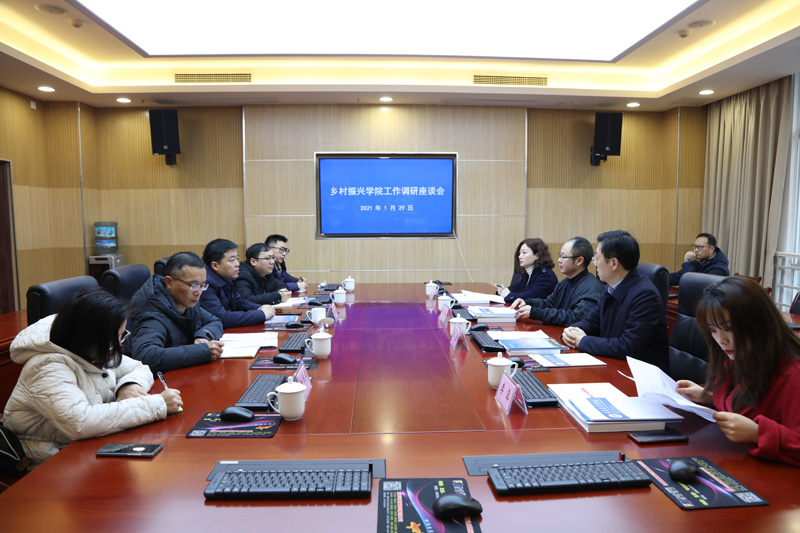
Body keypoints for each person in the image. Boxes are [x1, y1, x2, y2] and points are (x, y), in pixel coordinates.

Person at [3, 290, 182, 467]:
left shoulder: (94, 349)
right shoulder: (46, 366)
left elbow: (139, 368)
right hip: (48, 461)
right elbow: (81, 422)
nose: (120, 344)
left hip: (87, 447)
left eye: (121, 335)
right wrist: (157, 405)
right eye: (117, 337)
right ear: (89, 336)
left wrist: (128, 386)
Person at [676, 277, 800, 465]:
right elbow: (744, 400)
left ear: (759, 323)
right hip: (737, 460)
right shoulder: (740, 353)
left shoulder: (794, 373)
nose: (721, 340)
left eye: (728, 328)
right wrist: (709, 395)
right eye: (713, 330)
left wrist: (757, 433)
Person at [562, 230, 669, 372]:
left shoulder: (645, 296)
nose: (595, 264)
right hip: (614, 365)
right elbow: (592, 321)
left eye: (597, 258)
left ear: (613, 263)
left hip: (640, 375)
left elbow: (628, 346)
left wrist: (582, 340)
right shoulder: (610, 287)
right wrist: (571, 331)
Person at [126, 251, 224, 373]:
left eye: (202, 285)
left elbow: (214, 321)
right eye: (193, 285)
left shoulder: (184, 300)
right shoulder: (151, 313)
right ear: (169, 282)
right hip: (155, 380)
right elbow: (147, 356)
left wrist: (202, 337)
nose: (198, 292)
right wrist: (202, 351)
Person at [510, 237, 603, 326]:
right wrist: (527, 302)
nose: (559, 260)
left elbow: (575, 318)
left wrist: (534, 312)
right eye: (560, 256)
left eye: (563, 257)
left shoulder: (591, 288)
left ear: (579, 261)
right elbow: (549, 303)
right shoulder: (564, 283)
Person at [199, 238, 275, 328]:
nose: (237, 264)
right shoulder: (205, 284)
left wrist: (259, 308)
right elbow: (221, 318)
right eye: (232, 260)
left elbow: (240, 302)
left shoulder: (227, 278)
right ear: (215, 265)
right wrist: (261, 314)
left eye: (237, 259)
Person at [496, 238, 557, 304]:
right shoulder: (529, 272)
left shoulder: (546, 276)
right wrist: (505, 290)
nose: (519, 256)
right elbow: (517, 287)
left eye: (524, 253)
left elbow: (529, 297)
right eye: (519, 253)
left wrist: (508, 295)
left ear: (537, 256)